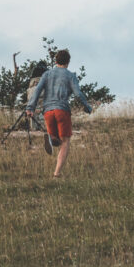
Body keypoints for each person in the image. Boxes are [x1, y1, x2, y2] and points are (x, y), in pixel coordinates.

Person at [25, 48, 92, 177]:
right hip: (62, 110)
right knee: (65, 142)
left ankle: (51, 137)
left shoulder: (46, 74)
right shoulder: (70, 75)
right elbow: (78, 93)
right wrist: (87, 106)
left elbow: (37, 91)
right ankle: (57, 173)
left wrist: (30, 108)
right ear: (68, 62)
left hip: (48, 112)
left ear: (55, 61)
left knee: (56, 139)